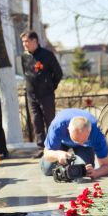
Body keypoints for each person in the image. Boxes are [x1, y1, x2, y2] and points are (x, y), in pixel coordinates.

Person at [21, 30, 63, 158]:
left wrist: (51, 87)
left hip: (46, 95)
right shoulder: (24, 56)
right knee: (36, 121)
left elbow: (58, 73)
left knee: (49, 120)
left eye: (27, 41)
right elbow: (26, 74)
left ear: (35, 41)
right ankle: (41, 147)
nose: (24, 44)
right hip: (31, 96)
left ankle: (54, 146)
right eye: (23, 42)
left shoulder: (47, 55)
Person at [40, 108, 108, 179]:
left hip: (84, 147)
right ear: (68, 129)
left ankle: (72, 165)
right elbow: (47, 154)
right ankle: (64, 165)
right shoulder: (58, 125)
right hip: (61, 142)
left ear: (90, 132)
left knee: (83, 169)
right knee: (47, 169)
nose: (79, 143)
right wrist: (58, 154)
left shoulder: (97, 132)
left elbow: (106, 166)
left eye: (84, 140)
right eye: (76, 139)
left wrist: (96, 172)